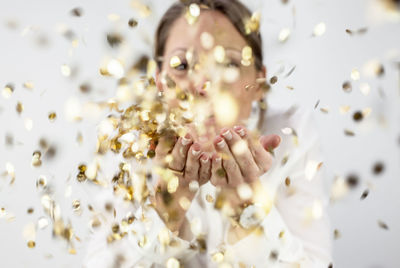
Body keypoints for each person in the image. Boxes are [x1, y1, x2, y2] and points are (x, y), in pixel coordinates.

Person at [84, 0, 332, 267]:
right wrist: (167, 211)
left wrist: (248, 211)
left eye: (228, 64)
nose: (203, 84)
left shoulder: (291, 135)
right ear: (159, 82)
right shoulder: (131, 145)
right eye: (181, 65)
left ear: (259, 84)